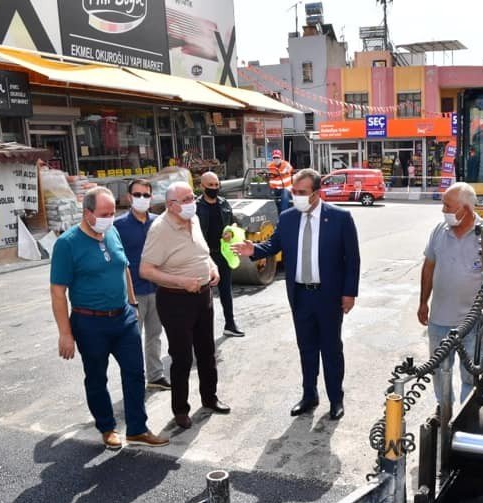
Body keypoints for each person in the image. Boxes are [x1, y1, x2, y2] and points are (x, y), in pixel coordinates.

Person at [233, 168, 360, 420]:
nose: (296, 197)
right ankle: (309, 395)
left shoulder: (340, 218)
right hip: (300, 295)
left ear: (316, 193)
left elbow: (352, 259)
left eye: (302, 193)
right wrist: (253, 249)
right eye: (294, 192)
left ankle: (336, 399)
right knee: (307, 348)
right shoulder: (289, 217)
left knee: (331, 349)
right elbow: (274, 244)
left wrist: (349, 293)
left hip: (328, 295)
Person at [49, 186, 169, 449]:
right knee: (96, 377)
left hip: (124, 318)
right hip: (90, 322)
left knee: (135, 372)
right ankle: (106, 427)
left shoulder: (111, 231)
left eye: (113, 212)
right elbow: (58, 292)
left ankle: (137, 429)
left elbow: (124, 266)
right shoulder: (67, 244)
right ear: (87, 212)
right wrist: (65, 333)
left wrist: (133, 303)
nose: (110, 217)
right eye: (104, 213)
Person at [140, 181, 230, 430]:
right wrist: (180, 281)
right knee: (181, 357)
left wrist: (212, 268)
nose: (193, 202)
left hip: (203, 296)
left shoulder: (195, 220)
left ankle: (209, 398)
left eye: (193, 197)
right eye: (187, 199)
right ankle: (180, 409)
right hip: (175, 299)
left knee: (207, 352)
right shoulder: (159, 229)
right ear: (171, 205)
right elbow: (145, 270)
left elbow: (203, 253)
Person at [418, 182, 483, 405]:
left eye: (447, 206)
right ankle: (444, 413)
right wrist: (423, 302)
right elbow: (428, 267)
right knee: (440, 374)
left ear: (465, 209)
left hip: (473, 324)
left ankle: (467, 419)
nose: (443, 210)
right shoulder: (439, 231)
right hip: (439, 320)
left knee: (471, 377)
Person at [115, 178, 170, 391]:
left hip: (157, 290)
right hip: (133, 293)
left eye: (145, 195)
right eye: (137, 195)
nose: (141, 199)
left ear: (151, 197)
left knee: (155, 336)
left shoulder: (159, 222)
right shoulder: (118, 226)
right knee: (131, 341)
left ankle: (155, 376)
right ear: (129, 197)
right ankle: (134, 380)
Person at [196, 171, 244, 337]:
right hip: (204, 257)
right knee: (204, 295)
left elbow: (234, 223)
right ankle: (203, 332)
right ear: (202, 186)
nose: (214, 188)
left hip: (223, 254)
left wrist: (230, 232)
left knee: (226, 291)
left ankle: (230, 324)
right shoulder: (196, 207)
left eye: (217, 185)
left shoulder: (224, 203)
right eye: (211, 185)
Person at [267, 149, 294, 214]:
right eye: (274, 157)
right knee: (265, 194)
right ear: (272, 158)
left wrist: (284, 172)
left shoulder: (286, 164)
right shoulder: (270, 166)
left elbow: (288, 168)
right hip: (274, 188)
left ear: (281, 158)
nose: (276, 159)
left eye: (277, 157)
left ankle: (283, 214)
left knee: (284, 195)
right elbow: (267, 173)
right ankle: (270, 214)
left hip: (286, 188)